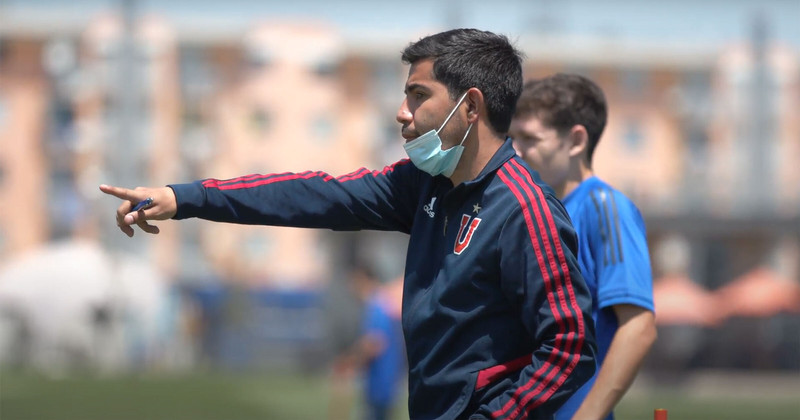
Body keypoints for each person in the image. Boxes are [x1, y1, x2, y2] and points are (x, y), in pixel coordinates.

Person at [100, 29, 597, 420]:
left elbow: (571, 346)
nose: (402, 112)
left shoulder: (524, 210)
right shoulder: (423, 183)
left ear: (469, 106)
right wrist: (183, 197)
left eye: (418, 95)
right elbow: (313, 194)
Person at [509, 73, 657, 420]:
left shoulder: (606, 208)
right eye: (511, 138)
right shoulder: (532, 210)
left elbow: (638, 327)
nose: (514, 151)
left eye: (529, 139)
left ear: (575, 140)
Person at [332, 269, 405, 420]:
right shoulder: (382, 304)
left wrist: (349, 361)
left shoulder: (378, 305)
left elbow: (374, 342)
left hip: (381, 383)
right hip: (383, 382)